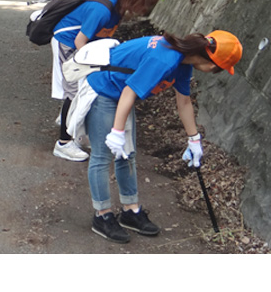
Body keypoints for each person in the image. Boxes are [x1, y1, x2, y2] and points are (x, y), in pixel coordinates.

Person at [67, 30, 242, 243]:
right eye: (219, 69)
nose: (215, 72)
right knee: (103, 156)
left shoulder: (183, 62)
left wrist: (194, 138)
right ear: (214, 64)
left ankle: (131, 211)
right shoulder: (164, 59)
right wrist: (117, 132)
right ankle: (102, 216)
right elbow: (129, 92)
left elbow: (184, 101)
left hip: (122, 93)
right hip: (104, 89)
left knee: (127, 154)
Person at [51, 0, 160, 162]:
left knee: (85, 87)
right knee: (76, 91)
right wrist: (92, 65)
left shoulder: (118, 9)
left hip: (82, 44)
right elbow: (80, 41)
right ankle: (63, 142)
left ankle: (73, 125)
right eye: (144, 4)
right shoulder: (102, 11)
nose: (144, 10)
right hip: (67, 42)